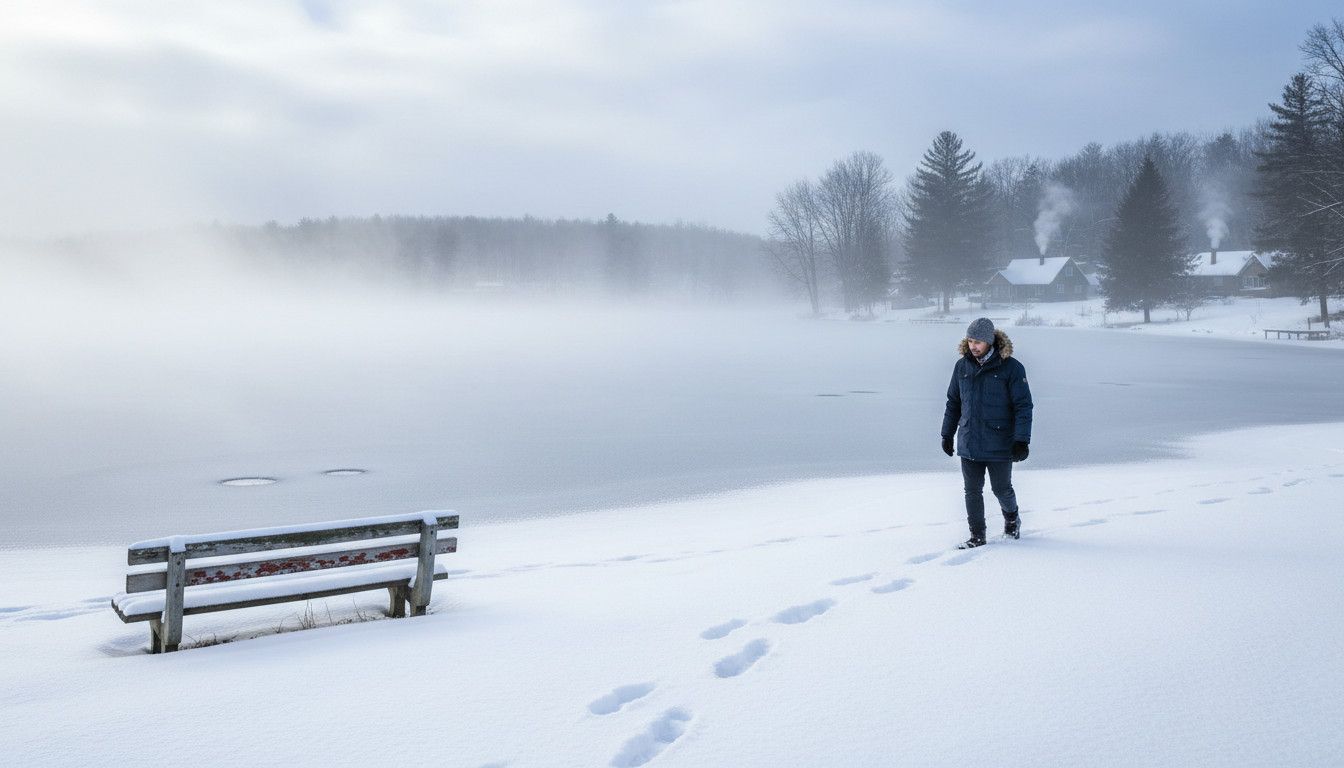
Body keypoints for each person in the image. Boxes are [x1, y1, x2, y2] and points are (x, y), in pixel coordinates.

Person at [940, 317, 1033, 549]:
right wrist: (947, 434)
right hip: (969, 440)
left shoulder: (1011, 367)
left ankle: (1012, 519)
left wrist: (1021, 440)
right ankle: (977, 536)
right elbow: (953, 402)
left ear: (990, 341)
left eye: (978, 341)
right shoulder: (962, 366)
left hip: (1000, 442)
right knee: (972, 491)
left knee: (1001, 489)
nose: (973, 346)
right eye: (970, 340)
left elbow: (1023, 406)